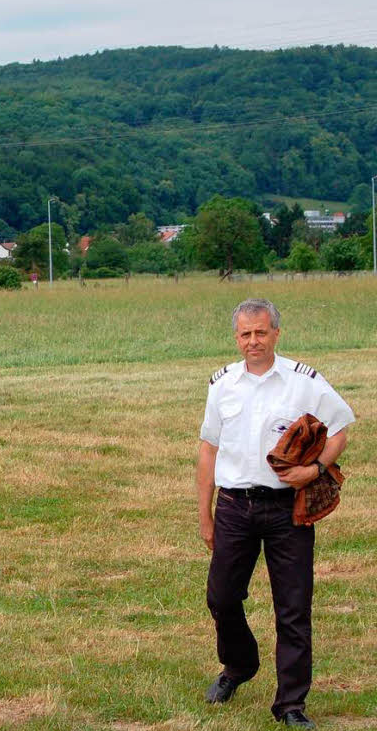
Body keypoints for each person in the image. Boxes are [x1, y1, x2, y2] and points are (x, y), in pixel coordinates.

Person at [197, 298, 354, 729]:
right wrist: (205, 514)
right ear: (236, 338)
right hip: (234, 506)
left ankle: (290, 705)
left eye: (261, 332)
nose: (253, 341)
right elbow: (208, 448)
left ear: (276, 334)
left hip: (287, 511)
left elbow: (340, 425)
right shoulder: (221, 383)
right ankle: (238, 667)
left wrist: (315, 468)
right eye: (245, 334)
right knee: (222, 598)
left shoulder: (304, 381)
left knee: (293, 607)